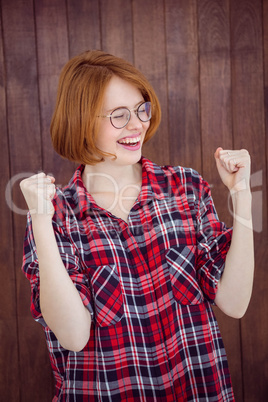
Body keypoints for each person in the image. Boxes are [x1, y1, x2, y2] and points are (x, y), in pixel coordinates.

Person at [20, 50, 254, 401]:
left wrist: (243, 194)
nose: (138, 124)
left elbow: (235, 304)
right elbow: (73, 335)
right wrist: (40, 219)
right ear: (81, 120)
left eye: (142, 108)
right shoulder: (57, 215)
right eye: (119, 115)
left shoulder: (186, 188)